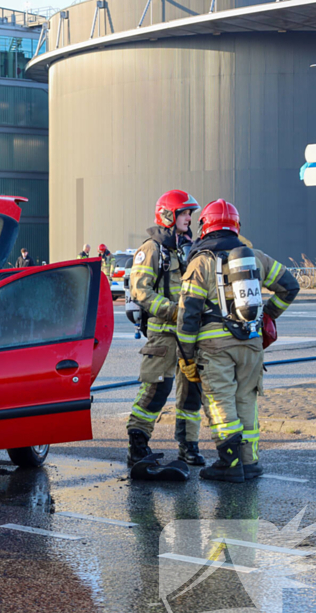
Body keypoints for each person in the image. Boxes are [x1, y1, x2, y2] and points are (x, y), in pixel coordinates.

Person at [177, 199, 299, 482]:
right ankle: (250, 461)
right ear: (236, 226)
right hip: (252, 344)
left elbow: (188, 314)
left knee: (220, 401)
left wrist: (185, 356)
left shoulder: (201, 262)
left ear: (204, 226)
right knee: (247, 399)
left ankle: (228, 463)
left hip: (214, 348)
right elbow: (290, 286)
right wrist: (268, 315)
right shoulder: (255, 257)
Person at [126, 190, 204, 480]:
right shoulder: (152, 249)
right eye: (184, 213)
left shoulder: (187, 248)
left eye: (190, 214)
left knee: (191, 394)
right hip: (163, 336)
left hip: (190, 337)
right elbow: (140, 290)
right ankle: (137, 445)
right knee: (156, 391)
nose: (189, 218)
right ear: (169, 215)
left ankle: (188, 446)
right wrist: (173, 312)